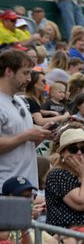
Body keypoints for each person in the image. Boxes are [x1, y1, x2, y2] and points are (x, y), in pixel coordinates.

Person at [0, 50, 52, 189]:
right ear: (8, 72)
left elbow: (22, 145)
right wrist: (26, 135)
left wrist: (41, 135)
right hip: (5, 188)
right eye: (25, 73)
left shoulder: (21, 101)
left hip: (27, 187)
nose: (29, 79)